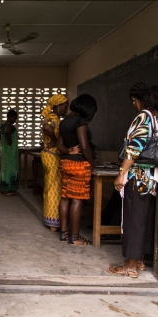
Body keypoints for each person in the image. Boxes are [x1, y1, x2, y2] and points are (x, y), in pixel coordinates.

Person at [108, 83, 158, 279]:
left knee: (133, 220)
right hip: (149, 179)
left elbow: (134, 148)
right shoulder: (156, 118)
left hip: (137, 178)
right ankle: (139, 260)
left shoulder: (142, 117)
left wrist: (122, 173)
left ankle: (129, 266)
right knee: (142, 219)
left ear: (134, 100)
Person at [57, 94, 98, 245]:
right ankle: (75, 237)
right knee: (77, 200)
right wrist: (92, 164)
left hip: (66, 164)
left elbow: (59, 145)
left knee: (65, 197)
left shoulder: (64, 121)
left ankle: (64, 233)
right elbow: (85, 147)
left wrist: (68, 150)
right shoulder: (80, 121)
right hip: (79, 165)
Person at [40, 95, 69, 232]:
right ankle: (53, 223)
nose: (66, 110)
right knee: (54, 188)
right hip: (52, 156)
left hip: (48, 154)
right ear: (58, 106)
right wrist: (57, 140)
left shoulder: (51, 116)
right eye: (65, 107)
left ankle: (50, 219)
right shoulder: (53, 118)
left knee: (50, 187)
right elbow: (46, 127)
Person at [0, 109, 19, 196]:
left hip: (5, 150)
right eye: (15, 118)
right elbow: (7, 133)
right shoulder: (8, 124)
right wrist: (10, 141)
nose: (15, 120)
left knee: (7, 168)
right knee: (8, 168)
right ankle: (6, 189)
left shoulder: (2, 125)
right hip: (8, 150)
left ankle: (9, 188)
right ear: (11, 117)